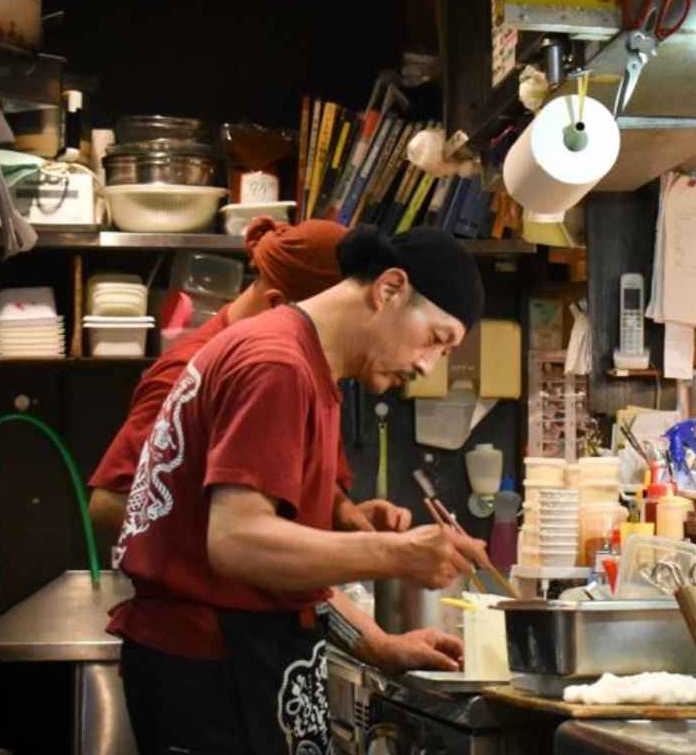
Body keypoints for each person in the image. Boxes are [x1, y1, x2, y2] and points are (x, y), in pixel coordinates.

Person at [109, 224, 489, 755]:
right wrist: (395, 554)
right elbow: (237, 542)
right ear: (389, 289)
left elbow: (279, 562)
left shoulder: (306, 364)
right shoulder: (277, 365)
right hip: (215, 673)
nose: (427, 364)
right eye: (437, 339)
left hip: (237, 659)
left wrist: (377, 646)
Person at [89, 218, 399, 542]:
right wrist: (236, 541)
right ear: (278, 306)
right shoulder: (189, 373)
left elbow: (304, 472)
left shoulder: (312, 367)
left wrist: (341, 512)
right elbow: (111, 503)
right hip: (214, 592)